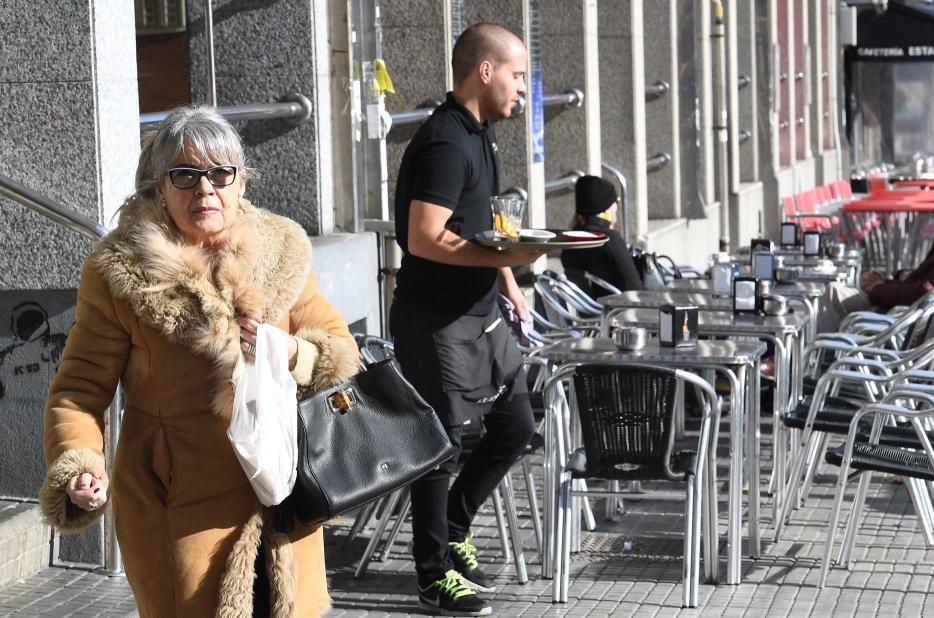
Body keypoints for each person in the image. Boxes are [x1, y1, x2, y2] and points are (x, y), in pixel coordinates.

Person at [39, 105, 360, 617]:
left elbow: (340, 349)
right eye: (184, 175)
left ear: (240, 184)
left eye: (219, 174)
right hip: (181, 510)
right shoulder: (119, 274)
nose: (204, 189)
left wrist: (293, 353)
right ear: (158, 189)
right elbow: (79, 389)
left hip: (284, 499)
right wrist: (80, 463)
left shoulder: (282, 254)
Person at [389, 22, 544, 617]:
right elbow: (424, 237)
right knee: (439, 446)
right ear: (485, 71)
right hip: (435, 320)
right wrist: (515, 257)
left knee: (516, 426)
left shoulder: (482, 133)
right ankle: (431, 574)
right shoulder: (445, 142)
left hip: (483, 315)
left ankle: (455, 523)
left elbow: (479, 224)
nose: (523, 89)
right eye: (518, 75)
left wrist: (508, 277)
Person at [816, 181, 934, 332]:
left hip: (906, 322)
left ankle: (823, 357)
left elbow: (923, 293)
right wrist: (888, 281)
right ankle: (828, 354)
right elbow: (927, 287)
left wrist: (877, 288)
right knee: (836, 292)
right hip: (917, 317)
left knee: (832, 292)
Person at [560, 175, 642, 295]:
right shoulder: (610, 241)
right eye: (616, 201)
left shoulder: (570, 242)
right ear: (606, 209)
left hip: (590, 309)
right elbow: (634, 287)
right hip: (618, 309)